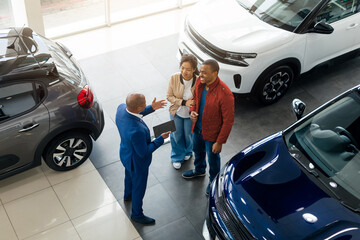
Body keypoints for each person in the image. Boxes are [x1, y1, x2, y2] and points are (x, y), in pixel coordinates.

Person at [182, 59, 234, 196]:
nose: (201, 74)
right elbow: (195, 99)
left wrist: (219, 142)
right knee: (197, 151)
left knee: (213, 159)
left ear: (215, 73)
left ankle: (214, 182)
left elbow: (228, 121)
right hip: (197, 129)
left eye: (204, 72)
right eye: (201, 71)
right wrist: (191, 111)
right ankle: (199, 170)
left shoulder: (225, 94)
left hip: (213, 135)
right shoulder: (200, 82)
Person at [115, 93, 170, 224]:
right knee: (139, 187)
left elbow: (134, 114)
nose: (146, 104)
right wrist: (160, 139)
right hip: (137, 162)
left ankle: (127, 195)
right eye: (145, 104)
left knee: (128, 176)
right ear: (139, 107)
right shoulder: (136, 131)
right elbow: (144, 153)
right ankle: (137, 214)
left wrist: (152, 107)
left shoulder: (121, 108)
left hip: (125, 154)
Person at [166, 54, 198, 169]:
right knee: (176, 135)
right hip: (176, 111)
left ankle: (188, 151)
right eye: (182, 68)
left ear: (194, 69)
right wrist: (184, 102)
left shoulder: (198, 81)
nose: (184, 71)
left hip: (190, 114)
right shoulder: (174, 78)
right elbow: (169, 96)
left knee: (188, 134)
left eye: (188, 69)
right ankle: (177, 156)